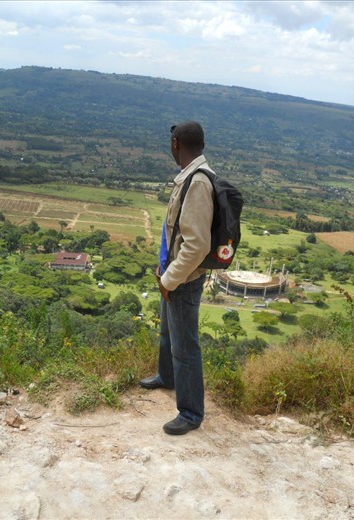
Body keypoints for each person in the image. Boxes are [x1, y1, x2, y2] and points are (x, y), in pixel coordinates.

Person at [139, 121, 214, 435]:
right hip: (172, 274)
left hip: (183, 279)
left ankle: (191, 412)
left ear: (175, 143)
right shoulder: (190, 177)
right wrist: (164, 270)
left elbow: (197, 244)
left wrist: (170, 280)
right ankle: (166, 377)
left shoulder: (197, 183)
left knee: (185, 347)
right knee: (169, 335)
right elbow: (177, 235)